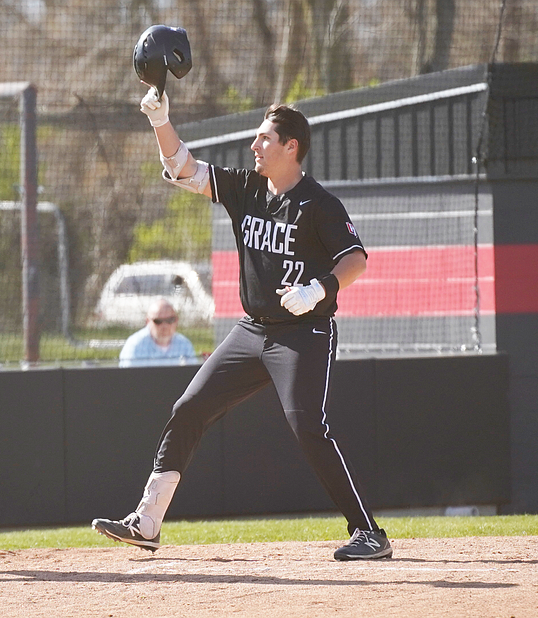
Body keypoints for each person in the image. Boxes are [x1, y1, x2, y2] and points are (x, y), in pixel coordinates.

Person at [91, 87, 391, 561]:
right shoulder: (245, 187)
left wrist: (320, 289)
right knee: (189, 407)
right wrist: (159, 122)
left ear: (291, 146)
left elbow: (355, 259)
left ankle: (369, 532)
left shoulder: (318, 203)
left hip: (303, 333)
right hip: (252, 329)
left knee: (307, 425)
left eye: (264, 138)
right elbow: (183, 168)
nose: (255, 147)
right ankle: (147, 521)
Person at [118, 298, 196, 367]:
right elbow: (129, 379)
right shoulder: (135, 346)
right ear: (147, 321)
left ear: (176, 320)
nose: (165, 326)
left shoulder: (185, 345)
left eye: (170, 320)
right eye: (158, 321)